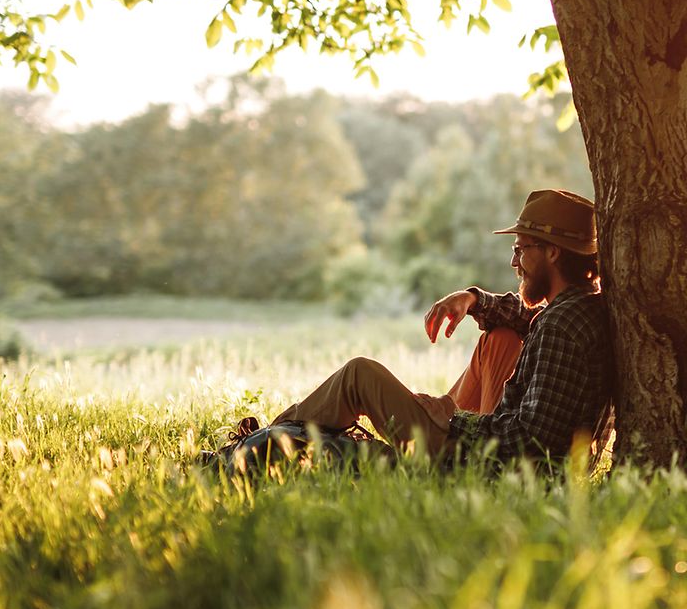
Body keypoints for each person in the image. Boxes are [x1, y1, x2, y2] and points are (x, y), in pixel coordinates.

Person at [258, 188, 613, 465]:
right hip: (500, 450)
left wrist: (450, 418)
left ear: (552, 253)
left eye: (521, 249)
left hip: (495, 465)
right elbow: (523, 315)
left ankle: (257, 446)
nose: (513, 261)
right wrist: (472, 299)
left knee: (360, 375)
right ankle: (274, 439)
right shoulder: (578, 310)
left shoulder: (559, 330)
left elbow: (531, 441)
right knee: (500, 338)